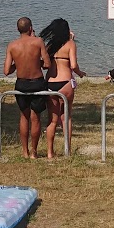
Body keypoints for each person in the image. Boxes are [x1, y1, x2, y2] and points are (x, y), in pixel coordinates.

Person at [4, 18, 51, 159]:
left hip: (21, 84)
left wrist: (18, 64)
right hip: (37, 82)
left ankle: (24, 152)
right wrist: (37, 62)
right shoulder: (38, 42)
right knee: (35, 118)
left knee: (24, 116)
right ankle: (34, 152)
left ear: (18, 29)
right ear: (31, 28)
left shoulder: (12, 45)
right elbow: (47, 64)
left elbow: (6, 71)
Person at [42, 18, 86, 158]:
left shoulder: (49, 46)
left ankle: (50, 152)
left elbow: (44, 65)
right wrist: (79, 73)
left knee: (52, 120)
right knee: (66, 117)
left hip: (50, 83)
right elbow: (73, 65)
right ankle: (67, 150)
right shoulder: (70, 44)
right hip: (65, 82)